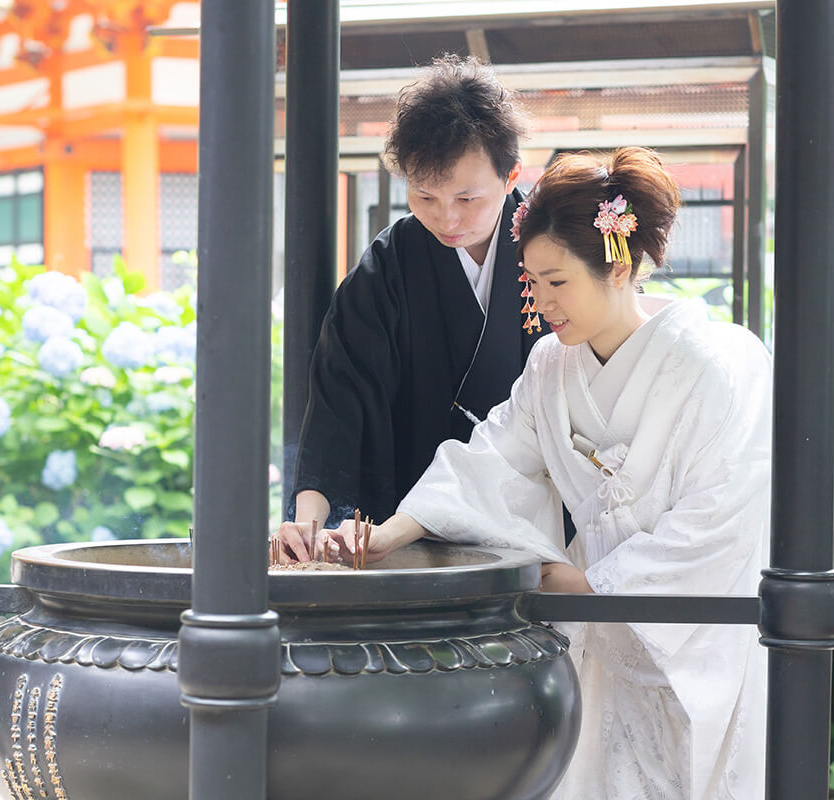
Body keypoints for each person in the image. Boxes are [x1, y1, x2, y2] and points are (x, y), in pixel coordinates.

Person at [319, 147, 769, 800]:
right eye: (531, 282)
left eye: (557, 282)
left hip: (691, 637)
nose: (541, 303)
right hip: (601, 638)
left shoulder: (720, 365)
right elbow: (491, 459)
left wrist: (591, 582)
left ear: (617, 266)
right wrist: (391, 535)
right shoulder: (552, 368)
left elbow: (722, 519)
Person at [278, 54, 550, 561]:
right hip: (406, 516)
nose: (447, 218)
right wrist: (307, 521)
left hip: (527, 516)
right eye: (424, 196)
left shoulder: (554, 249)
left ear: (511, 175)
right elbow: (341, 396)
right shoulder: (391, 264)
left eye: (467, 199)